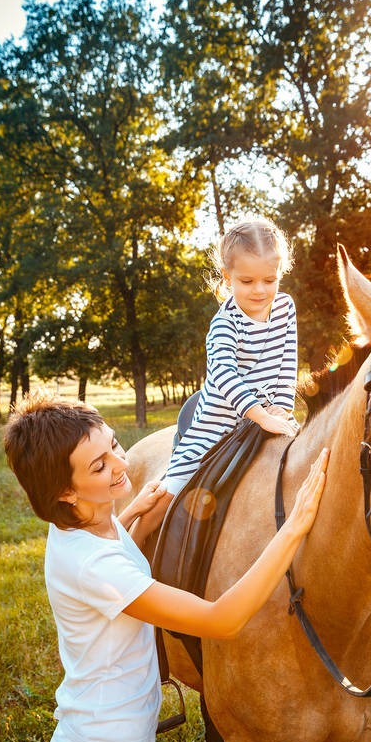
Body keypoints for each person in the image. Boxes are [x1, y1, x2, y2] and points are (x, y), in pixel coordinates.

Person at [3, 392, 328, 742]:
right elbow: (220, 618)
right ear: (64, 493)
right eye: (99, 466)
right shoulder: (94, 564)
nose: (120, 464)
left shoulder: (89, 529)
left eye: (114, 447)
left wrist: (133, 513)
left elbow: (113, 549)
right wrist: (293, 529)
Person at [148, 216, 299, 528]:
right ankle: (135, 542)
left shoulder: (285, 308)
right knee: (170, 493)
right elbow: (224, 375)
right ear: (228, 277)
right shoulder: (224, 323)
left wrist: (281, 409)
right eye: (247, 281)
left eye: (269, 280)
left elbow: (288, 364)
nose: (260, 290)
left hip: (271, 413)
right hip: (218, 424)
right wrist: (260, 415)